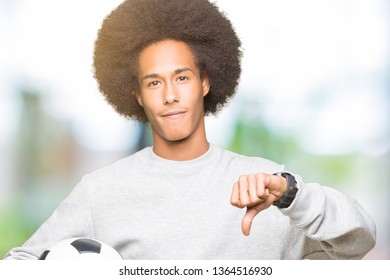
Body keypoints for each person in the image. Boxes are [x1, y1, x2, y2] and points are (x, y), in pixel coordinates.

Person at [4, 0, 376, 260]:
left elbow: (359, 240)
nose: (169, 96)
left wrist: (291, 194)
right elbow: (19, 265)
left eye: (181, 77)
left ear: (205, 82)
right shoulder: (101, 192)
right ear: (137, 94)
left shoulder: (268, 186)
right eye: (153, 83)